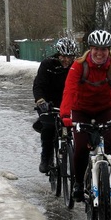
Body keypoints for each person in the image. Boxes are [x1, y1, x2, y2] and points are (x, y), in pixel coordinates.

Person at [60, 30, 111, 205]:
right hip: (81, 110)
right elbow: (69, 90)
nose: (99, 53)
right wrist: (65, 114)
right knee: (81, 147)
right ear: (90, 49)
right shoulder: (78, 66)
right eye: (96, 49)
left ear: (108, 50)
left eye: (104, 49)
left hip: (104, 110)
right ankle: (79, 184)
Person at [33, 37, 79, 173]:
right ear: (58, 54)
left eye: (69, 57)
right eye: (63, 56)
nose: (66, 60)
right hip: (49, 103)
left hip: (69, 103)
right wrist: (41, 101)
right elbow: (38, 85)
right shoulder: (48, 65)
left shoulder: (77, 67)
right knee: (49, 128)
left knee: (79, 129)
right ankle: (46, 158)